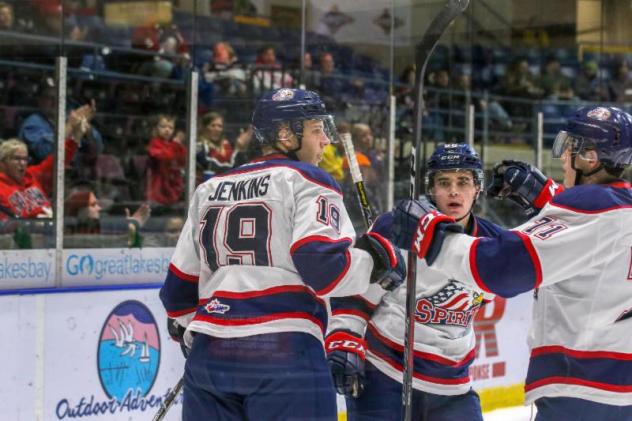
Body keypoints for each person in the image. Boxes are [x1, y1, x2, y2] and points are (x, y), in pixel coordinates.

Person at [159, 88, 406, 421]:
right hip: (284, 354)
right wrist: (377, 260)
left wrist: (194, 329)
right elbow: (324, 269)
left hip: (209, 356)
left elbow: (177, 293)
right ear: (285, 133)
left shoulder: (209, 188)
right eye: (317, 130)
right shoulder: (308, 179)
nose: (325, 141)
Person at [393, 106, 632, 420]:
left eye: (568, 147)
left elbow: (505, 267)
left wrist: (432, 237)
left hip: (585, 388)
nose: (561, 157)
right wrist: (546, 197)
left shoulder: (592, 209)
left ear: (589, 157)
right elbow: (587, 245)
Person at [327, 144, 505, 421]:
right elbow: (355, 293)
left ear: (477, 188)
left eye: (463, 182)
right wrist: (345, 338)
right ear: (431, 188)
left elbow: (504, 288)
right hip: (385, 371)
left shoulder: (494, 241)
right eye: (444, 183)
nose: (454, 191)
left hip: (451, 381)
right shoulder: (398, 227)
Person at [64, 190, 150, 247]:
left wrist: (132, 229)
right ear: (80, 211)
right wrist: (132, 228)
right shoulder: (70, 237)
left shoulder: (96, 230)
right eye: (93, 205)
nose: (99, 208)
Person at [196, 111, 252, 181]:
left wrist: (241, 149)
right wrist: (238, 150)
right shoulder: (199, 146)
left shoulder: (226, 146)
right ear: (204, 128)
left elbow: (239, 168)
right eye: (213, 125)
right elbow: (215, 168)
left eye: (220, 126)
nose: (217, 129)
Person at [146, 114, 186, 206]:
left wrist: (179, 146)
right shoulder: (155, 143)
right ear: (156, 128)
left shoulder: (173, 144)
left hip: (173, 184)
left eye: (170, 128)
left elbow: (183, 160)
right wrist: (176, 145)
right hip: (158, 187)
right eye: (163, 126)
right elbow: (167, 157)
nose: (167, 130)